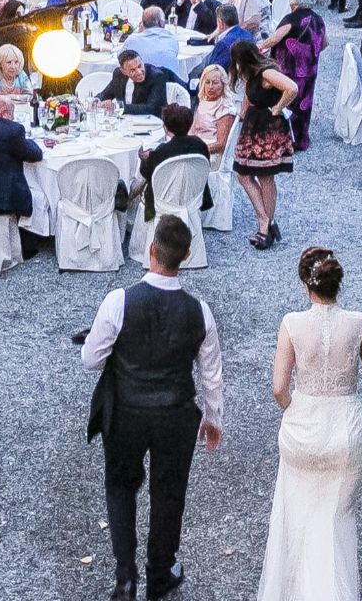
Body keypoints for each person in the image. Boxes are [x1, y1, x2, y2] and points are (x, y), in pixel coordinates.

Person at [82, 216, 224, 601]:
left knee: (120, 486)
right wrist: (213, 418)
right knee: (169, 492)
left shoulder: (118, 301)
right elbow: (211, 375)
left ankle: (125, 578)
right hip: (176, 415)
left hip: (126, 411)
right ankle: (160, 571)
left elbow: (90, 359)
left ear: (151, 249)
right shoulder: (201, 312)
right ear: (187, 256)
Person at [255, 248, 362, 601]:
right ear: (338, 284)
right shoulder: (360, 323)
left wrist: (294, 412)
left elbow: (279, 387)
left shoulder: (292, 324)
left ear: (305, 285)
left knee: (296, 514)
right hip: (346, 432)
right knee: (336, 520)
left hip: (303, 431)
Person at [230, 38, 297, 250]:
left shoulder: (266, 72)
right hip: (253, 126)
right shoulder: (250, 73)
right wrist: (239, 117)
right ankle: (266, 219)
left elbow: (292, 88)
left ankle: (265, 225)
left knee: (265, 175)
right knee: (243, 173)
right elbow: (247, 98)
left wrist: (277, 108)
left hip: (267, 128)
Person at [260, 0, 326, 152]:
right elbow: (325, 43)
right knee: (304, 104)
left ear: (295, 2)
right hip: (309, 69)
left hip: (288, 67)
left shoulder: (291, 19)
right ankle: (301, 138)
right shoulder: (319, 19)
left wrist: (259, 47)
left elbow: (275, 38)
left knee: (286, 101)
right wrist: (311, 53)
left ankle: (284, 140)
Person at [132, 104, 214, 219]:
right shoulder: (200, 145)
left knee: (140, 183)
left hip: (164, 202)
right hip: (192, 198)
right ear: (189, 124)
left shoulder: (160, 152)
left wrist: (145, 159)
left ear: (165, 127)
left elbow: (146, 174)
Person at [97, 50, 176, 117]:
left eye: (140, 66)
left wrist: (118, 107)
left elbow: (151, 108)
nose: (139, 72)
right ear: (123, 71)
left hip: (150, 124)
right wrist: (96, 101)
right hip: (124, 123)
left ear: (142, 61)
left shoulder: (157, 77)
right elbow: (105, 94)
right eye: (132, 70)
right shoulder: (118, 74)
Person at [120, 6, 182, 73]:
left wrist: (139, 33)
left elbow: (120, 60)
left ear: (142, 23)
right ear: (161, 23)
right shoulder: (171, 39)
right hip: (169, 82)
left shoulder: (131, 40)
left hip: (139, 81)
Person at [191, 65, 234, 159]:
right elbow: (192, 131)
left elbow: (221, 144)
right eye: (207, 82)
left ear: (223, 84)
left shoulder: (225, 107)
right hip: (196, 147)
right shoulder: (202, 102)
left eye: (215, 83)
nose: (210, 87)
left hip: (211, 153)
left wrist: (197, 150)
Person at [201, 3, 251, 76]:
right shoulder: (248, 35)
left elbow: (213, 72)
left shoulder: (223, 44)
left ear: (221, 23)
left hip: (225, 83)